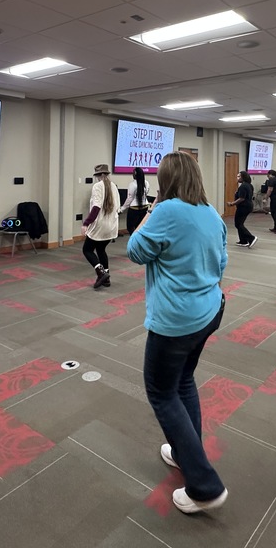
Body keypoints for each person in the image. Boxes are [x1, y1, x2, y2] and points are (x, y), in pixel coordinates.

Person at [126, 151, 229, 514]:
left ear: (165, 180)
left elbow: (134, 251)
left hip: (176, 322)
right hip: (209, 311)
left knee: (162, 392)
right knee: (183, 381)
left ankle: (204, 485)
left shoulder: (167, 211)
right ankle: (188, 451)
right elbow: (222, 262)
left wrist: (151, 210)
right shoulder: (212, 213)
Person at [82, 164, 120, 289]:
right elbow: (118, 208)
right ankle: (106, 278)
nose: (97, 178)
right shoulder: (114, 186)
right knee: (101, 250)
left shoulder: (98, 186)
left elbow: (96, 207)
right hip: (112, 225)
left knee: (87, 250)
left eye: (97, 175)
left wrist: (86, 223)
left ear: (100, 175)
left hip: (100, 226)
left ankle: (101, 272)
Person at [227, 171, 257, 248]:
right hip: (248, 206)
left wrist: (232, 203)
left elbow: (241, 198)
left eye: (239, 176)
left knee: (238, 224)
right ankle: (243, 241)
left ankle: (251, 238)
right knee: (240, 223)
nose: (237, 178)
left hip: (243, 207)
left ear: (243, 177)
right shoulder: (249, 185)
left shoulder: (243, 186)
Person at [119, 166, 150, 235]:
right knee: (140, 227)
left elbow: (129, 199)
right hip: (144, 207)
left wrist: (122, 209)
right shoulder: (146, 183)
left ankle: (134, 241)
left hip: (134, 209)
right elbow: (146, 193)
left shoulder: (132, 185)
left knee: (130, 227)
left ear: (135, 175)